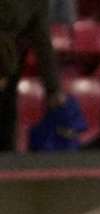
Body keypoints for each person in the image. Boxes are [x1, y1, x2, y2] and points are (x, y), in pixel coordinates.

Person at [0, 0, 66, 151]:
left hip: (8, 61)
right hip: (6, 58)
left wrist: (53, 88)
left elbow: (42, 40)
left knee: (5, 118)